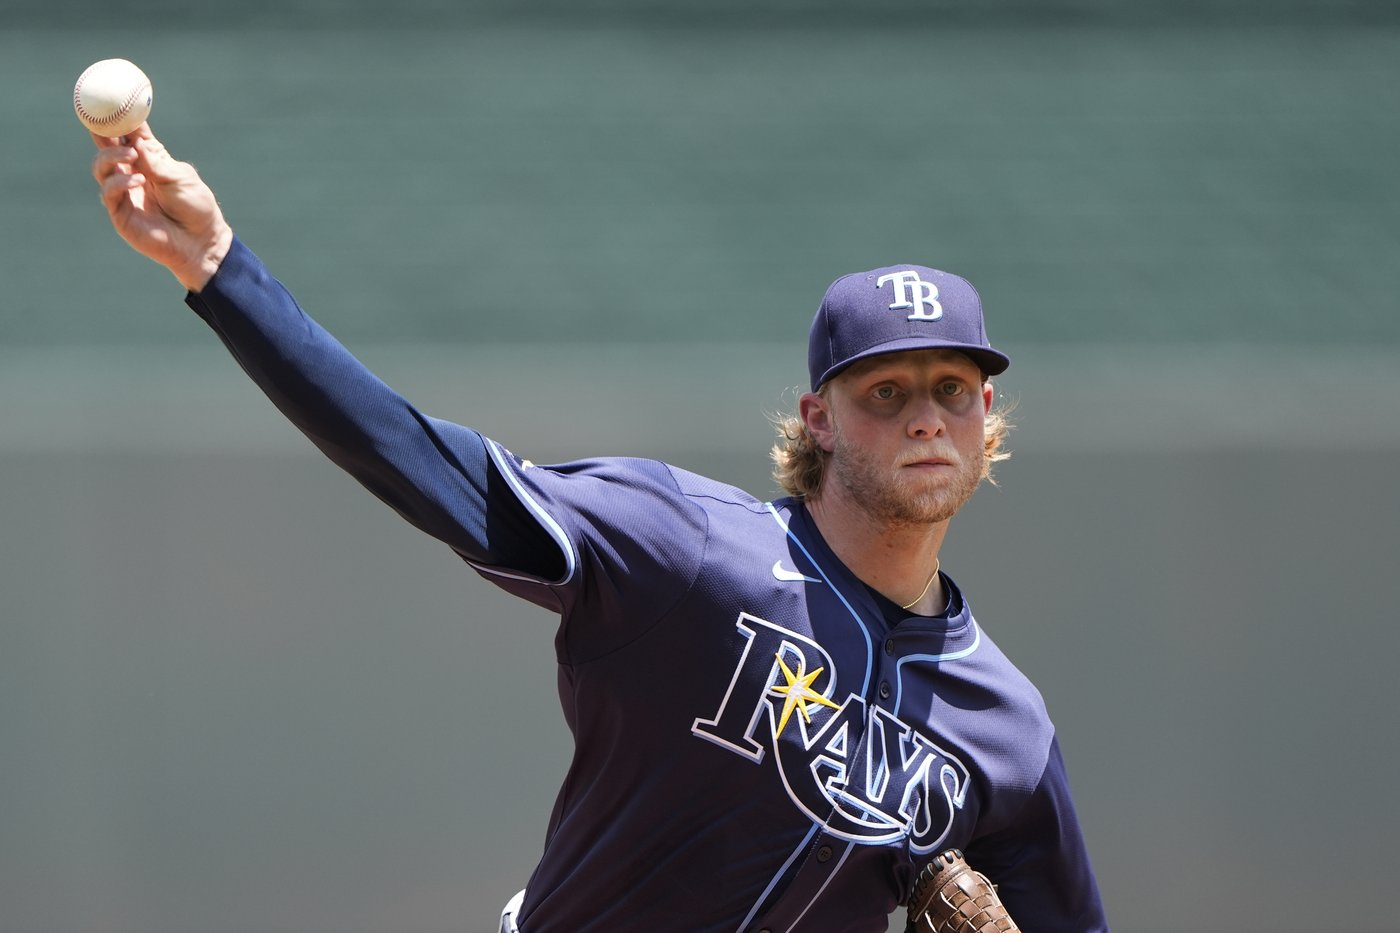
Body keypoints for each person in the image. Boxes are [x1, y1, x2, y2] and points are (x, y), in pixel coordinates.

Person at [90, 124, 1109, 933]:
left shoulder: (1003, 728)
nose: (924, 415)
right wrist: (222, 270)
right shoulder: (690, 550)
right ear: (817, 419)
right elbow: (414, 456)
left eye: (953, 389)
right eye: (883, 390)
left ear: (986, 419)